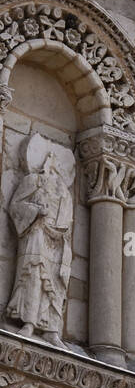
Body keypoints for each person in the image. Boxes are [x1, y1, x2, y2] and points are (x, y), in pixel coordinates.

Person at [5, 147, 74, 344]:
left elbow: (67, 221)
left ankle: (51, 328)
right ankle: (29, 322)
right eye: (51, 159)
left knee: (57, 282)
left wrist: (60, 230)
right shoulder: (32, 181)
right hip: (35, 233)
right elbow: (15, 206)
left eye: (59, 164)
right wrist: (36, 212)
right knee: (34, 275)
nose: (55, 165)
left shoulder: (65, 195)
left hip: (58, 240)